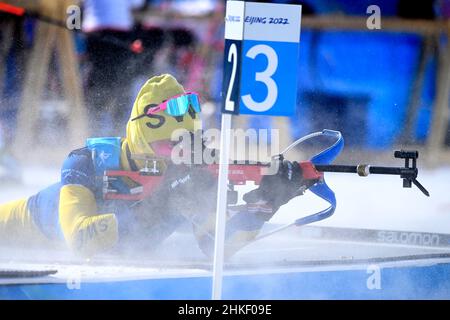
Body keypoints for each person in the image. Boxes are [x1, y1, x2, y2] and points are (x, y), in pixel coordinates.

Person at [0, 74, 314, 258]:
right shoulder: (88, 163)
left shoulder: (189, 176)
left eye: (181, 146)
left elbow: (219, 247)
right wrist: (157, 206)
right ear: (139, 134)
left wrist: (267, 202)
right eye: (165, 145)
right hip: (19, 228)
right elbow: (80, 241)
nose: (172, 156)